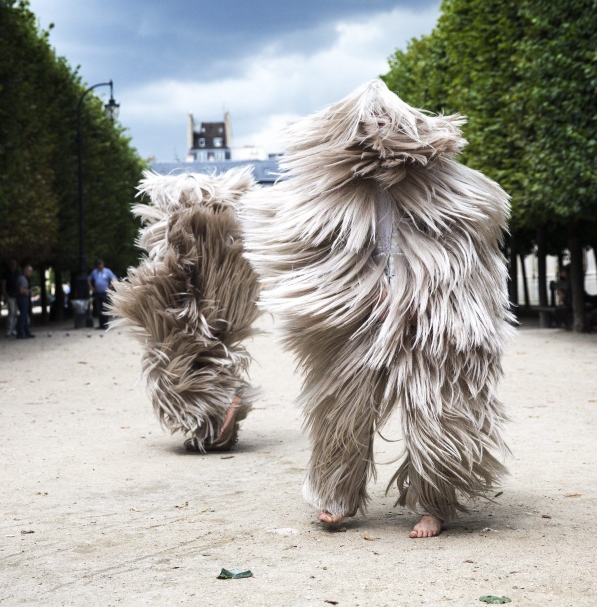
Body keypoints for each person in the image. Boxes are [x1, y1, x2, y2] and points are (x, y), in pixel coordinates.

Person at [241, 80, 513, 538]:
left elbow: (469, 248)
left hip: (431, 311)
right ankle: (338, 494)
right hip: (362, 311)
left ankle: (435, 502)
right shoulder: (333, 192)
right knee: (342, 404)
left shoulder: (445, 186)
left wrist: (422, 293)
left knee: (433, 407)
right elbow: (312, 249)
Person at [110, 169, 262, 452]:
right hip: (217, 299)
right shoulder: (216, 228)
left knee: (178, 365)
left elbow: (172, 266)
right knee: (208, 350)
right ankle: (222, 413)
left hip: (189, 302)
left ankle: (217, 416)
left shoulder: (172, 228)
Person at [87, 260, 118, 330]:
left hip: (104, 292)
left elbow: (114, 279)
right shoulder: (95, 272)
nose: (100, 266)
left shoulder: (107, 271)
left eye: (101, 265)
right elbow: (89, 279)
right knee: (98, 309)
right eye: (99, 265)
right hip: (97, 292)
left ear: (103, 265)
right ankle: (101, 324)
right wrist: (91, 288)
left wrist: (109, 287)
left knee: (105, 308)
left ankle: (106, 324)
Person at [2, 259, 20, 337]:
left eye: (15, 264)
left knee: (15, 313)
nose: (13, 266)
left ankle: (13, 329)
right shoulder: (6, 273)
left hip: (16, 295)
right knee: (11, 312)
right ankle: (9, 329)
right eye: (12, 264)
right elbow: (3, 284)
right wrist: (4, 294)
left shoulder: (17, 273)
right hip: (10, 294)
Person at [16, 265, 34, 338]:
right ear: (26, 271)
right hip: (23, 298)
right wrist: (31, 290)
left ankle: (27, 332)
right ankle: (20, 333)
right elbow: (21, 291)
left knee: (25, 316)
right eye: (30, 271)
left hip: (22, 298)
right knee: (23, 316)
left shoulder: (22, 278)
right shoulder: (23, 279)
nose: (31, 273)